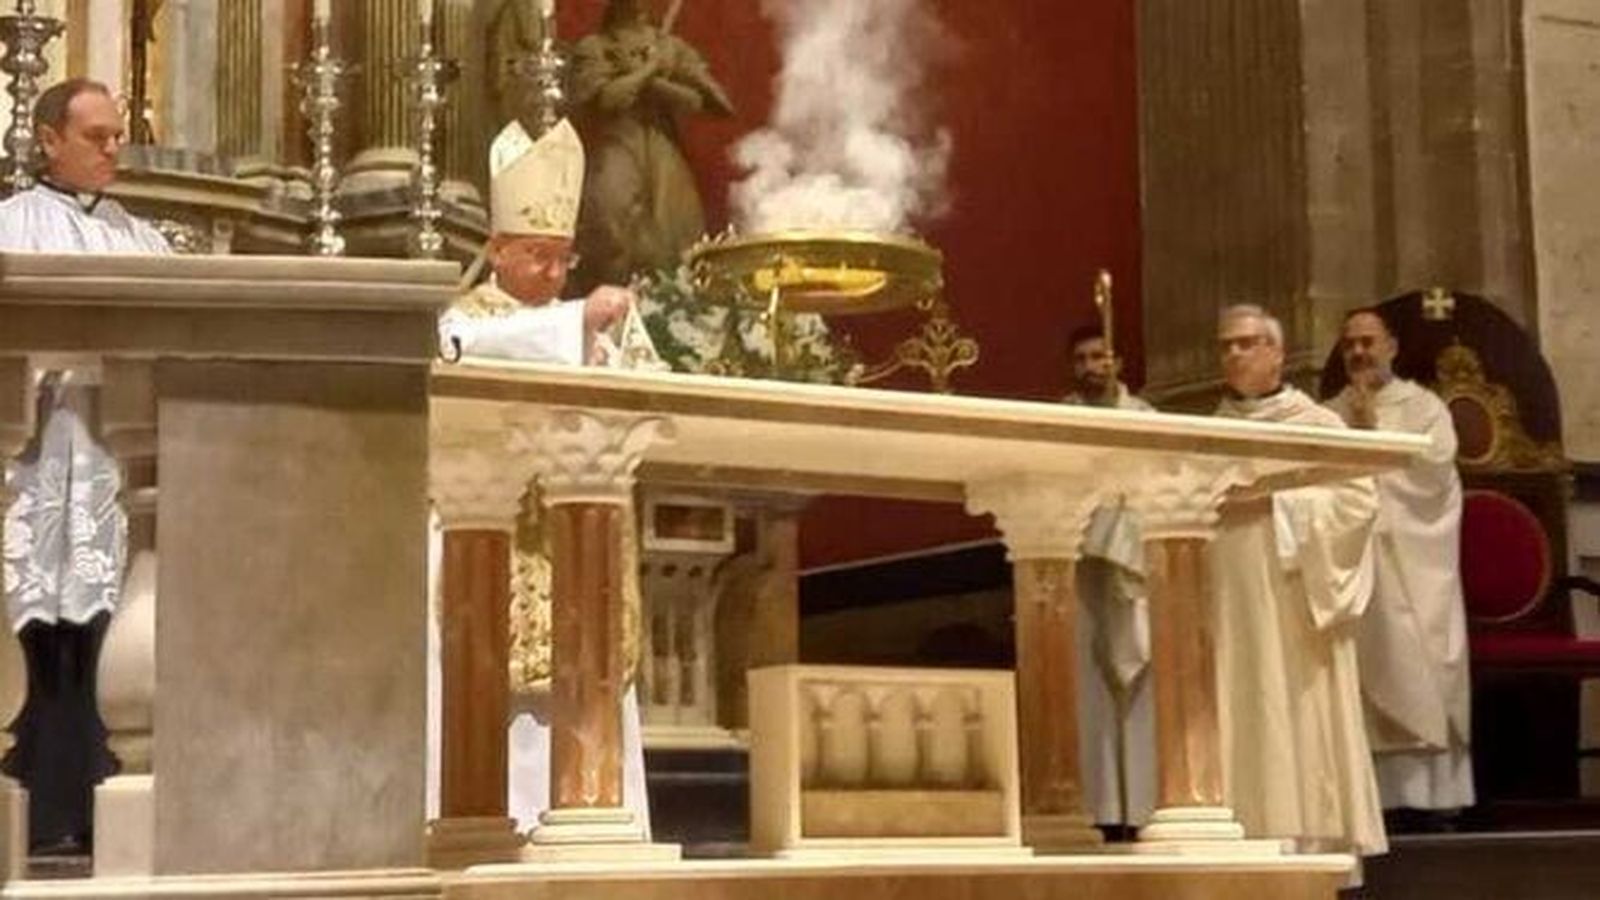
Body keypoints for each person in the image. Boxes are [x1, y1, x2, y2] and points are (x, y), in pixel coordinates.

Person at [431, 116, 653, 838]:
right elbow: (475, 351)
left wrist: (616, 337)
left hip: (584, 540)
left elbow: (646, 395)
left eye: (563, 259)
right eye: (537, 256)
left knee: (584, 687)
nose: (554, 274)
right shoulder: (461, 321)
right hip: (489, 536)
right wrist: (574, 323)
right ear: (496, 250)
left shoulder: (583, 317)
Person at [0, 77, 171, 854]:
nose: (112, 150)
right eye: (96, 136)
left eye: (116, 136)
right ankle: (39, 808)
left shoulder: (145, 241)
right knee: (37, 631)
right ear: (47, 139)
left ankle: (96, 814)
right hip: (33, 462)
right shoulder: (11, 226)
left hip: (115, 464)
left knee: (107, 627)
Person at [1209, 304, 1386, 857]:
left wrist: (1273, 500)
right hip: (1228, 597)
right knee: (1238, 700)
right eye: (1226, 345)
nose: (1234, 354)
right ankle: (1242, 842)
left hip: (1295, 595)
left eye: (1247, 343)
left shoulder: (1315, 426)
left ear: (1277, 353)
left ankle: (1307, 846)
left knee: (1296, 709)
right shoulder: (1205, 431)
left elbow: (1359, 500)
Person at [1325, 309, 1473, 818]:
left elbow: (1435, 479)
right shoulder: (1328, 413)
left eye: (1368, 342)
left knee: (1423, 657)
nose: (1359, 353)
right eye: (1350, 345)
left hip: (1414, 561)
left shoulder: (1424, 408)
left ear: (1392, 346)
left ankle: (1435, 798)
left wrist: (1374, 439)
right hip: (1358, 565)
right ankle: (1374, 803)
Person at [1059, 325, 1156, 835]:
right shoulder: (1060, 420)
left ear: (1118, 361)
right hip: (1076, 562)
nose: (1091, 366)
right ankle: (1100, 808)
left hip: (1130, 566)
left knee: (1138, 688)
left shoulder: (1144, 421)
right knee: (1087, 688)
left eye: (1100, 355)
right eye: (1081, 358)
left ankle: (1139, 807)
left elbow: (1157, 484)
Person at [567, 0, 734, 292]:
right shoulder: (595, 47)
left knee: (678, 237)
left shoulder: (671, 47)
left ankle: (673, 308)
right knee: (611, 227)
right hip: (618, 145)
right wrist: (647, 72)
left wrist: (656, 79)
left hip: (663, 149)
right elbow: (607, 99)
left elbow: (713, 103)